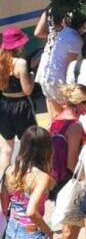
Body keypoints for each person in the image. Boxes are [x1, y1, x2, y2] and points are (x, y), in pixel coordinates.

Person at [49, 83, 86, 239]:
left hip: (56, 179)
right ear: (78, 104)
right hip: (68, 181)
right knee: (70, 229)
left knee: (68, 226)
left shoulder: (58, 119)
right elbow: (71, 162)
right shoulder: (74, 126)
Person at [37, 12, 86, 118]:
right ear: (83, 24)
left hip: (49, 79)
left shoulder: (65, 32)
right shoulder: (75, 39)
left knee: (56, 116)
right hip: (59, 82)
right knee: (68, 114)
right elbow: (71, 66)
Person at [0, 27, 36, 169]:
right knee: (29, 145)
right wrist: (32, 76)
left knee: (7, 148)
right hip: (21, 106)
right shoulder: (20, 63)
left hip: (4, 105)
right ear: (18, 45)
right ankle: (25, 177)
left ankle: (2, 183)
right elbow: (27, 90)